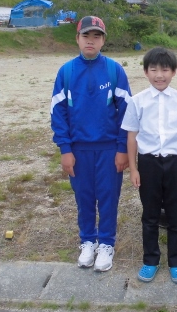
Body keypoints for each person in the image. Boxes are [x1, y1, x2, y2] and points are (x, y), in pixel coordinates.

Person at [50, 16, 131, 272]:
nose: (91, 41)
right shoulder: (66, 72)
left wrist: (122, 149)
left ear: (103, 41)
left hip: (108, 149)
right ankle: (87, 240)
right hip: (79, 149)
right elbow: (58, 113)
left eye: (96, 36)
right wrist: (65, 149)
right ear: (77, 38)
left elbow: (127, 113)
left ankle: (106, 243)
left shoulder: (114, 70)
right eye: (86, 36)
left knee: (108, 197)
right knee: (84, 197)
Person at [121, 47, 177, 284]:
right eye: (153, 69)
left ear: (173, 72)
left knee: (176, 215)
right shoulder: (137, 101)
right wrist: (134, 168)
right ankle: (150, 260)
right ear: (146, 72)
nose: (159, 75)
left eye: (164, 70)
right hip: (148, 164)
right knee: (150, 214)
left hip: (175, 163)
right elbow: (132, 137)